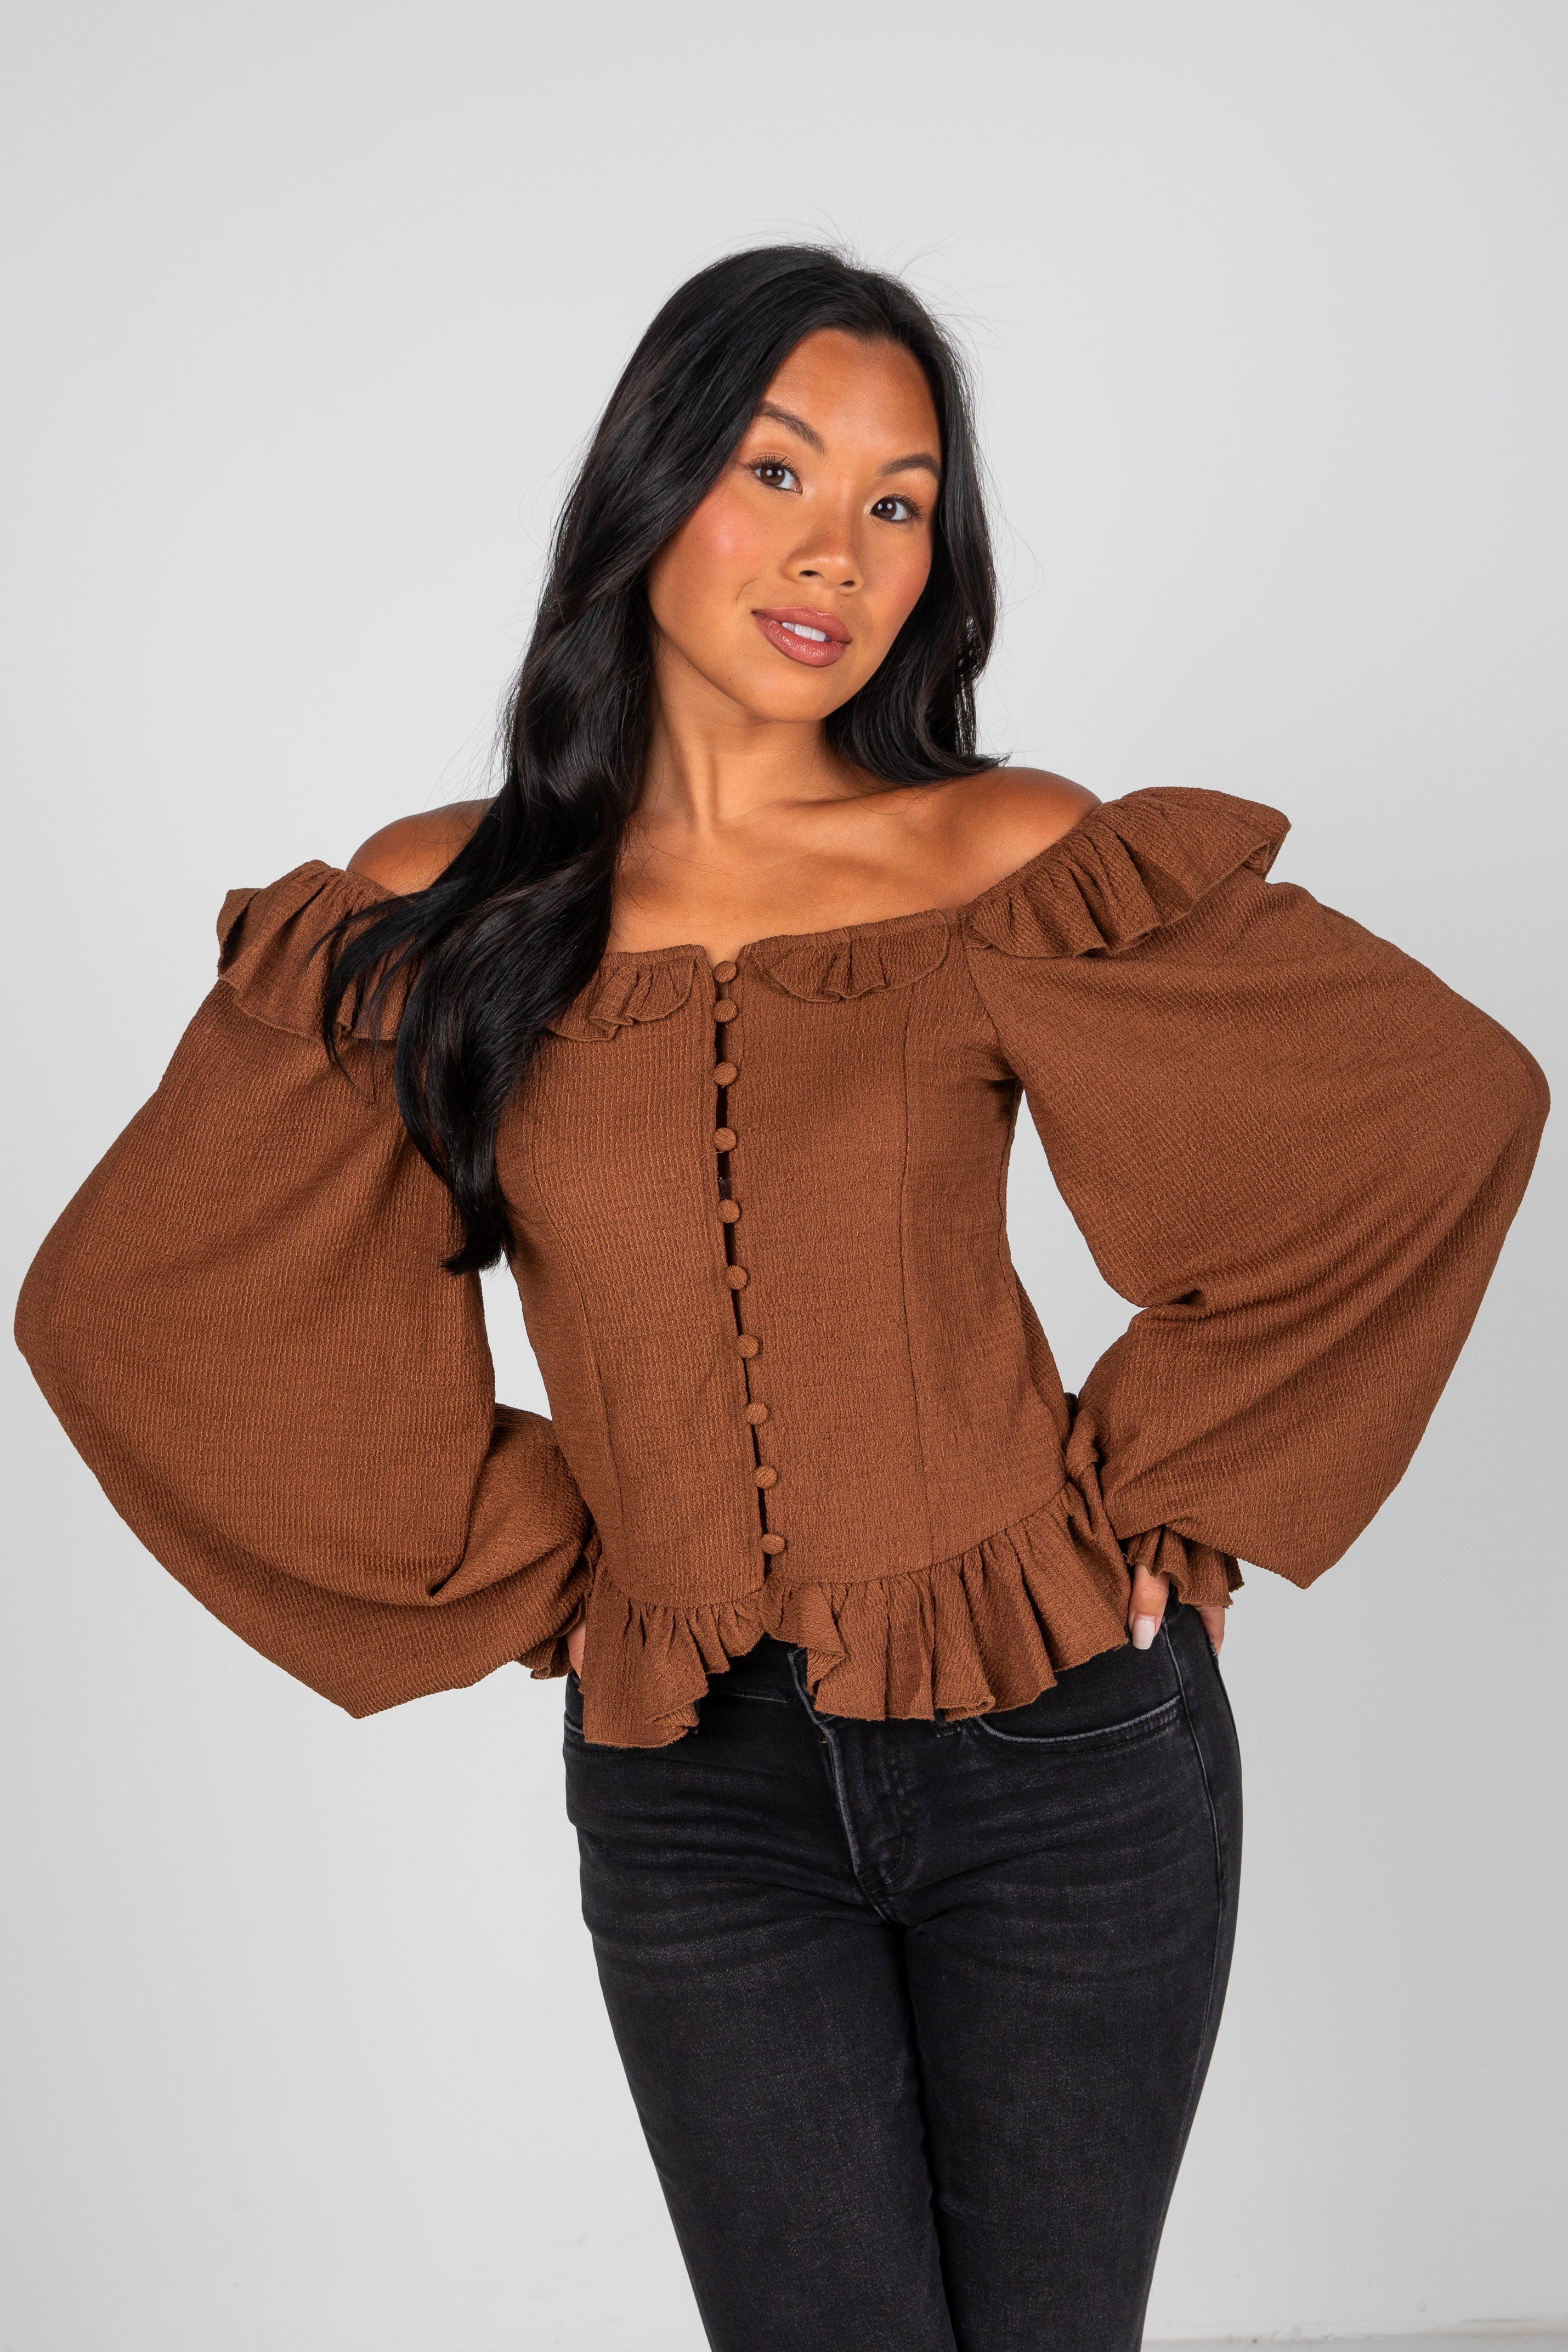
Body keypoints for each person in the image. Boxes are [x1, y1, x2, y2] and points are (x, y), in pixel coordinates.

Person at [15, 246, 1547, 2352]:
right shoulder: (438, 902)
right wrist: (536, 1561)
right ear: (650, 485)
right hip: (690, 1786)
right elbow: (139, 1305)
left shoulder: (1005, 854)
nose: (841, 548)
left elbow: (1435, 1110)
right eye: (778, 470)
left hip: (1064, 1743)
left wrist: (1176, 1488)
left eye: (900, 501)